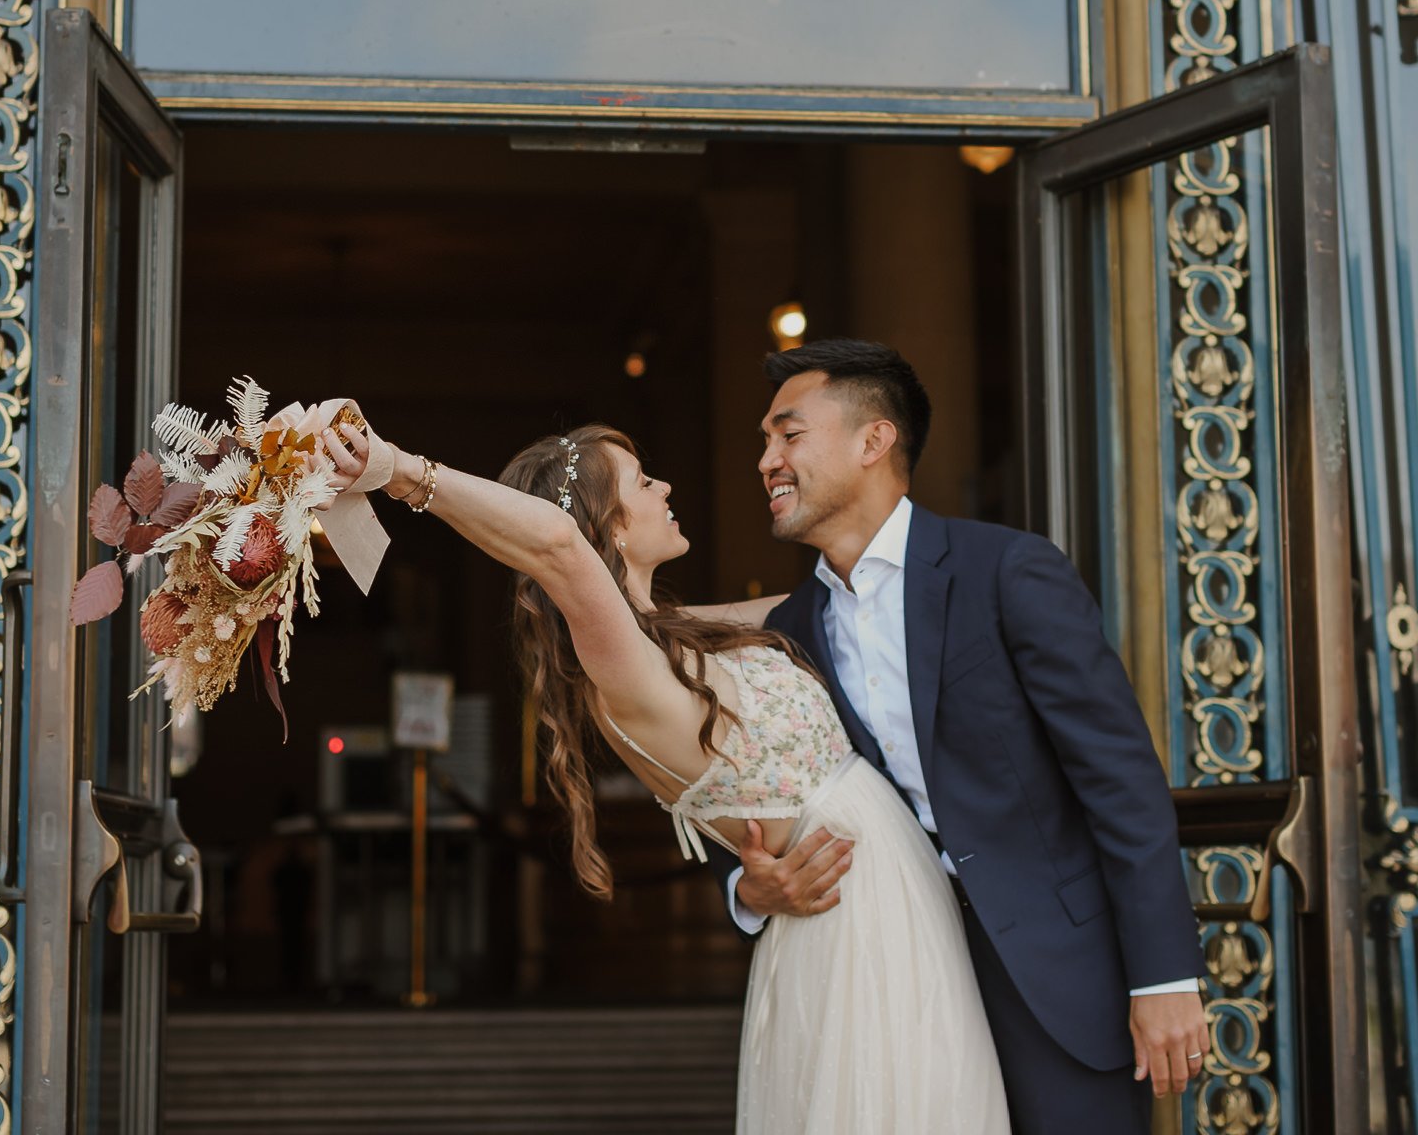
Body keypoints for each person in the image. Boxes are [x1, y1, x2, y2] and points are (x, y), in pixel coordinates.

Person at [318, 417, 1009, 1134]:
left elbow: (835, 608)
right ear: (610, 531)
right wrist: (397, 469)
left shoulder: (676, 635)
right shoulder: (620, 665)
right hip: (852, 920)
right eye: (644, 482)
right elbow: (557, 547)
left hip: (888, 898)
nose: (666, 487)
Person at [696, 340, 1209, 1134]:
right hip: (893, 988)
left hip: (1053, 980)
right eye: (765, 442)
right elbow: (765, 790)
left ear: (874, 441)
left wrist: (1164, 975)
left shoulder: (1007, 571)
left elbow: (1121, 782)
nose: (767, 461)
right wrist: (746, 891)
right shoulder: (795, 631)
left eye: (787, 435)